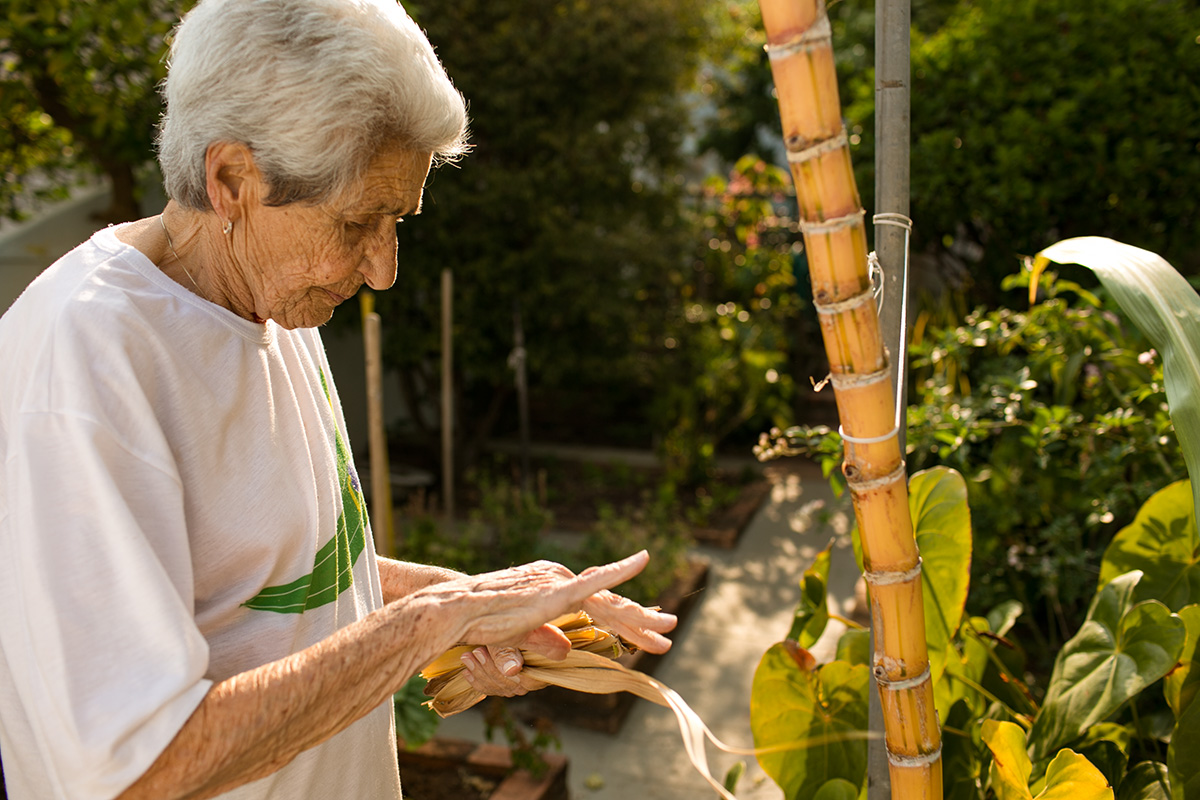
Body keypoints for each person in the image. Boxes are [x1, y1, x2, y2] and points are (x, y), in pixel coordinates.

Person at [0, 1, 678, 798]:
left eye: (398, 220)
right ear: (232, 181)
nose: (383, 267)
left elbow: (293, 581)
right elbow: (135, 769)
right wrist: (429, 627)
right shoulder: (83, 371)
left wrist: (472, 601)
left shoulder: (272, 296)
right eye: (360, 221)